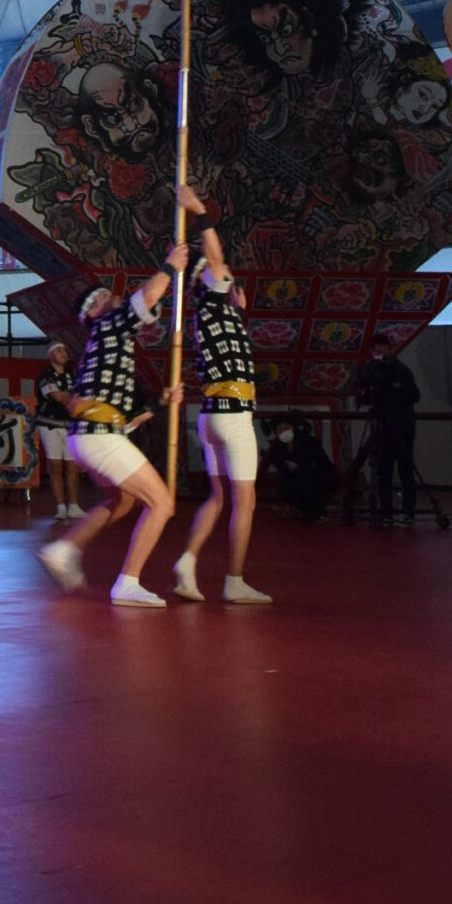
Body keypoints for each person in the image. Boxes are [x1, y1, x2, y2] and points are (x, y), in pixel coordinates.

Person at [37, 244, 189, 609]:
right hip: (99, 435)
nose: (109, 296)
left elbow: (125, 409)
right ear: (92, 314)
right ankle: (128, 582)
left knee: (123, 500)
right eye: (100, 298)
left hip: (93, 434)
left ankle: (64, 548)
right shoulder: (108, 326)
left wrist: (163, 401)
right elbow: (147, 297)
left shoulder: (111, 343)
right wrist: (170, 266)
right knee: (162, 503)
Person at [171, 187, 271, 606]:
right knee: (245, 501)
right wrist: (200, 213)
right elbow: (215, 258)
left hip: (211, 415)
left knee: (218, 497)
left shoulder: (213, 313)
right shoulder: (212, 299)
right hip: (233, 417)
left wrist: (238, 309)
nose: (228, 272)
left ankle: (188, 560)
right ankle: (234, 579)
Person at [351, 336, 420, 526]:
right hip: (382, 426)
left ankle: (407, 512)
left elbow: (414, 395)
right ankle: (386, 512)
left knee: (405, 469)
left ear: (390, 349)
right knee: (383, 470)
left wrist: (393, 386)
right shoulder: (371, 370)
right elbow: (364, 390)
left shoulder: (401, 370)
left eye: (382, 347)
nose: (379, 351)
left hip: (402, 425)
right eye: (376, 348)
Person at [36, 341, 77, 522]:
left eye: (64, 350)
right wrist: (71, 397)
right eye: (58, 350)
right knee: (55, 466)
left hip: (70, 425)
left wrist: (72, 397)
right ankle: (61, 506)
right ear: (50, 355)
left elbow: (82, 395)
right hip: (49, 424)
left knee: (73, 466)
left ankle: (74, 505)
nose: (63, 353)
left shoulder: (73, 373)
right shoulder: (45, 375)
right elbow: (58, 397)